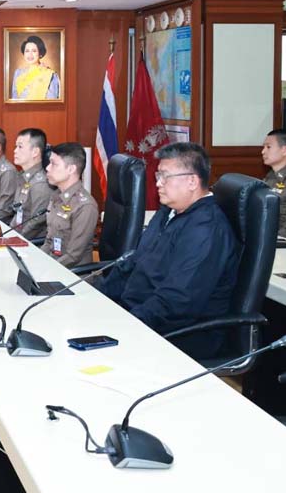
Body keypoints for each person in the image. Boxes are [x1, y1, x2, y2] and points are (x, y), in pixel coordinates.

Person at [96, 143, 238, 358]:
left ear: (192, 181)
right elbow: (133, 263)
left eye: (165, 176)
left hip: (180, 332)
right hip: (139, 313)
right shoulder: (168, 211)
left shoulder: (206, 229)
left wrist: (126, 323)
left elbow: (178, 299)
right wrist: (97, 298)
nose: (158, 184)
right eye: (158, 175)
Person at [41, 142, 98, 268]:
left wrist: (44, 270)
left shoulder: (85, 206)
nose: (48, 168)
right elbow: (49, 242)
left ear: (71, 169)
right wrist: (35, 261)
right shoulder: (56, 196)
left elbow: (73, 256)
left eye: (54, 164)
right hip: (52, 265)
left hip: (72, 273)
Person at [11, 128, 51, 240]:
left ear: (35, 152)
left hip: (32, 242)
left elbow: (36, 223)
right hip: (18, 236)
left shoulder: (40, 184)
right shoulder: (23, 177)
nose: (15, 151)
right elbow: (17, 213)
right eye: (15, 146)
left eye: (20, 147)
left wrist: (13, 239)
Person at [10, 35, 60, 100]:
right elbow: (14, 100)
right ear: (24, 54)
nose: (30, 54)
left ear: (40, 54)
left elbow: (52, 101)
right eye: (27, 51)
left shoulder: (50, 75)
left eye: (34, 51)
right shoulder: (18, 73)